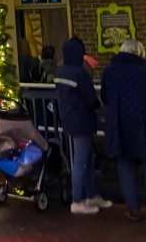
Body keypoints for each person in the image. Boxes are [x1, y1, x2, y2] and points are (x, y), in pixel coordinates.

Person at [100, 39, 146, 221]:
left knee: (125, 165)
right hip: (145, 122)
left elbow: (104, 95)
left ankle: (133, 208)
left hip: (119, 122)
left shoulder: (110, 70)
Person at [54, 37, 111, 215]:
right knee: (81, 160)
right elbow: (91, 99)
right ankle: (78, 199)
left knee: (87, 157)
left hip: (68, 118)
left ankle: (90, 194)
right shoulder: (80, 74)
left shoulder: (60, 72)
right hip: (83, 120)